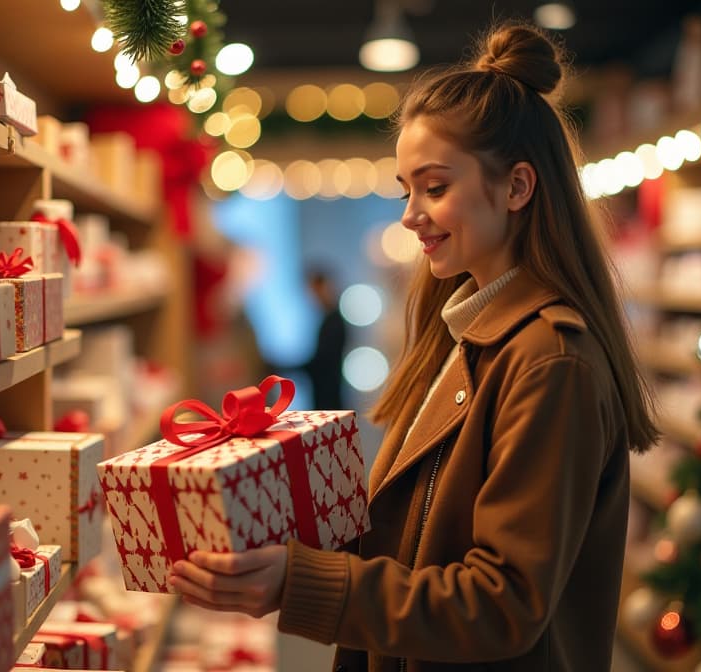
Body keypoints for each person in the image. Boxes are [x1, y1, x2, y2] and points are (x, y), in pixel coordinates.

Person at [168, 20, 658, 672]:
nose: (409, 214)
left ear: (516, 187)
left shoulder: (549, 363)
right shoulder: (467, 337)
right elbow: (422, 538)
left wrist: (301, 582)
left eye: (435, 187)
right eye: (408, 190)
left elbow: (501, 604)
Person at [303, 267, 348, 410]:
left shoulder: (333, 320)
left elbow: (322, 361)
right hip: (328, 392)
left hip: (329, 394)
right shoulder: (330, 318)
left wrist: (283, 368)